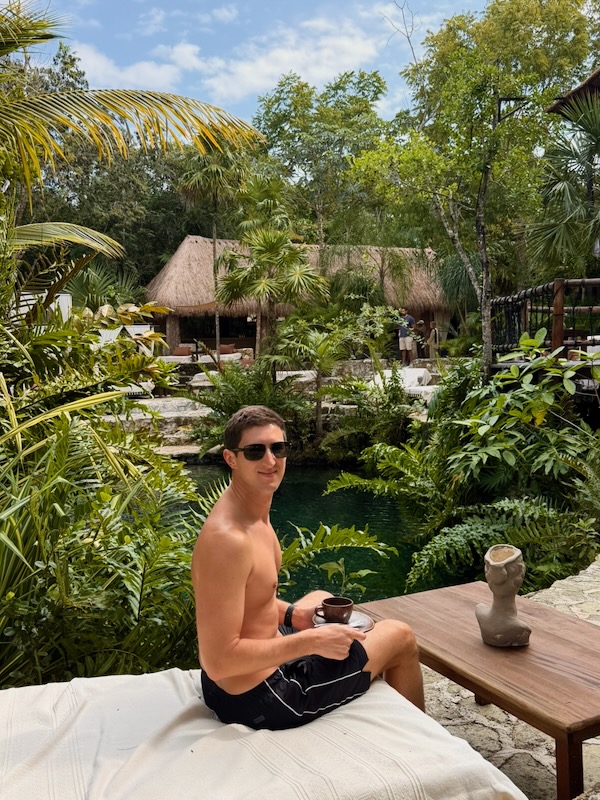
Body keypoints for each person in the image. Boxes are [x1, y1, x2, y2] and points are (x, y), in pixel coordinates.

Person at [192, 405, 424, 730]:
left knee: (319, 598)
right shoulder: (228, 540)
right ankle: (420, 750)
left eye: (278, 448)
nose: (270, 461)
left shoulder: (249, 513)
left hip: (240, 678)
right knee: (401, 636)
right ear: (232, 459)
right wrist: (312, 642)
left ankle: (360, 677)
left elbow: (250, 600)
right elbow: (217, 661)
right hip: (261, 697)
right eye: (255, 451)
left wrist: (293, 617)